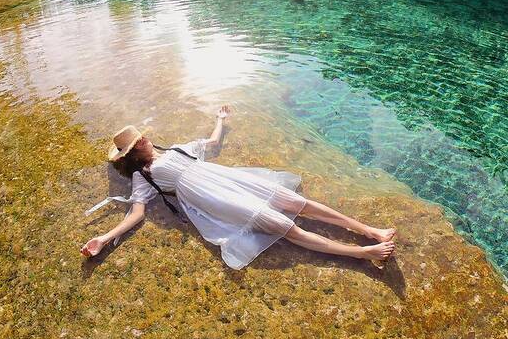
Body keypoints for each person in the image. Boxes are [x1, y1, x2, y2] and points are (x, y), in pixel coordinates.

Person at [81, 105, 395, 269]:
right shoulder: (143, 176)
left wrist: (220, 118)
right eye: (140, 139)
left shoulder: (174, 149)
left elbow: (212, 142)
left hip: (226, 178)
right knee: (284, 226)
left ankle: (371, 230)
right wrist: (105, 238)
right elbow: (135, 214)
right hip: (211, 198)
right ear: (137, 149)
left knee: (294, 201)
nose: (146, 139)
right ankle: (362, 253)